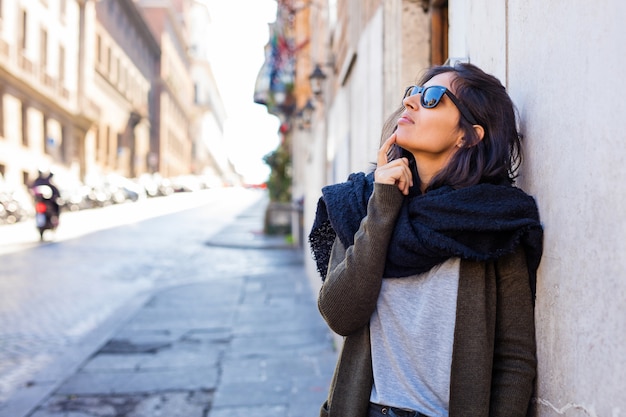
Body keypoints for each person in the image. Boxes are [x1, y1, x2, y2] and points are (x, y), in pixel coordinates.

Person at [308, 62, 544, 417]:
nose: (411, 103)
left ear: (469, 134)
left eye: (433, 98)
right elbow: (340, 314)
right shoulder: (361, 203)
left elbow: (514, 358)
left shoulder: (493, 220)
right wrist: (383, 207)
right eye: (412, 94)